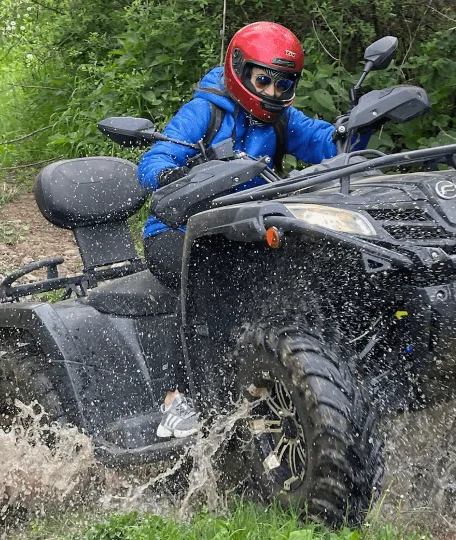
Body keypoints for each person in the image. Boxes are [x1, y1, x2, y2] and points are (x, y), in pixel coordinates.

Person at [138, 21, 361, 439]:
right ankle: (176, 398)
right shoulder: (206, 111)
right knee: (209, 278)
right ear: (239, 70)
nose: (272, 93)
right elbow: (155, 159)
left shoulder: (280, 120)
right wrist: (175, 175)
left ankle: (309, 373)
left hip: (246, 230)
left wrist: (355, 128)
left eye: (283, 84)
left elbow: (324, 142)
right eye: (264, 80)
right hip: (178, 230)